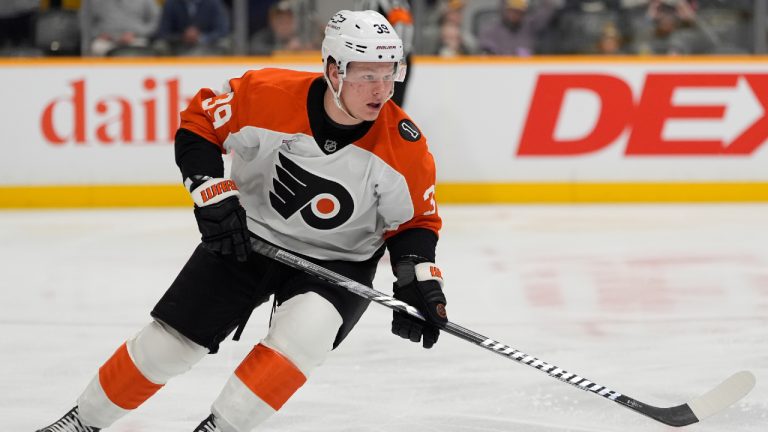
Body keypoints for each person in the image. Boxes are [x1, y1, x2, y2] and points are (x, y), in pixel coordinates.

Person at [36, 9, 448, 432]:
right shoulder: (267, 93)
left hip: (337, 263)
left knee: (303, 338)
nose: (380, 90)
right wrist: (210, 194)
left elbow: (415, 222)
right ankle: (79, 423)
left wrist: (417, 279)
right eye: (366, 75)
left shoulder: (405, 145)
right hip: (247, 239)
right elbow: (199, 124)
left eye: (389, 74)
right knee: (168, 345)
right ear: (332, 69)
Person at [355, 0, 414, 107]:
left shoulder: (395, 3)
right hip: (377, 59)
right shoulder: (368, 3)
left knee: (390, 108)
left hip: (392, 60)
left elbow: (403, 31)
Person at [154, 0, 231, 55]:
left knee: (225, 43)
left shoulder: (214, 3)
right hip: (178, 48)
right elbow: (163, 31)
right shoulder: (171, 3)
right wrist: (182, 37)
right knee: (160, 45)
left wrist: (201, 37)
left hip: (207, 48)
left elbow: (222, 30)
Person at [85, 0, 160, 56]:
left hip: (135, 39)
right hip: (106, 40)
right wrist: (99, 34)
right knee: (97, 47)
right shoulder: (94, 1)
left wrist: (136, 34)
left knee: (142, 47)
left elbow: (157, 21)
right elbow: (86, 24)